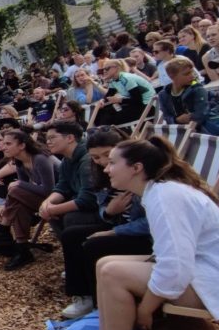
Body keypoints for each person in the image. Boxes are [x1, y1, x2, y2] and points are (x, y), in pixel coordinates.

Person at [72, 137, 219, 330]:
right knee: (105, 263)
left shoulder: (166, 196)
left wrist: (146, 308)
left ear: (136, 168)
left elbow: (174, 266)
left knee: (114, 272)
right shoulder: (159, 191)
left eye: (113, 163)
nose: (106, 169)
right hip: (205, 271)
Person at [58, 127, 152, 319]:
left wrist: (114, 231)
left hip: (144, 235)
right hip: (118, 223)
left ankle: (100, 306)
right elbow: (102, 208)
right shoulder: (102, 173)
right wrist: (109, 212)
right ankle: (83, 295)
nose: (102, 163)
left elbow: (152, 222)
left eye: (107, 156)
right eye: (95, 157)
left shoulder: (144, 180)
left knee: (95, 245)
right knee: (72, 235)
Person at [0, 130, 59, 270]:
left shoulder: (40, 158)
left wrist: (18, 185)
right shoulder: (20, 161)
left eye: (8, 143)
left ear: (22, 145)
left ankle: (2, 229)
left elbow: (49, 190)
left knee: (15, 188)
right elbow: (21, 192)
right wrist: (7, 204)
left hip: (60, 199)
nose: (3, 147)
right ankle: (22, 250)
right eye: (3, 143)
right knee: (18, 203)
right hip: (41, 199)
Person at [37, 122, 99, 257]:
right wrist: (47, 203)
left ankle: (82, 258)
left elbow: (88, 199)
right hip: (84, 202)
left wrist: (52, 209)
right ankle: (74, 257)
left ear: (70, 138)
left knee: (70, 217)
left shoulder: (87, 159)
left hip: (102, 209)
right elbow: (62, 186)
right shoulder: (67, 160)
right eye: (47, 139)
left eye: (52, 138)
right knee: (53, 213)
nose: (48, 142)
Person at [157, 57, 219, 135]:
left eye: (192, 72)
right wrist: (177, 120)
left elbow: (201, 114)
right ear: (172, 76)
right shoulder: (163, 94)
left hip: (207, 129)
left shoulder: (197, 88)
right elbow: (167, 116)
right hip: (181, 131)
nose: (192, 76)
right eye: (186, 74)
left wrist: (189, 118)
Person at [94, 59, 155, 126]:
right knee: (101, 111)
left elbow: (137, 100)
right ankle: (100, 133)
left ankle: (107, 134)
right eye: (103, 69)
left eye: (107, 68)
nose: (104, 71)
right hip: (138, 106)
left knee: (110, 116)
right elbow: (110, 94)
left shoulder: (126, 78)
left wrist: (119, 100)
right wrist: (103, 100)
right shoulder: (113, 80)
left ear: (116, 68)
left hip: (148, 107)